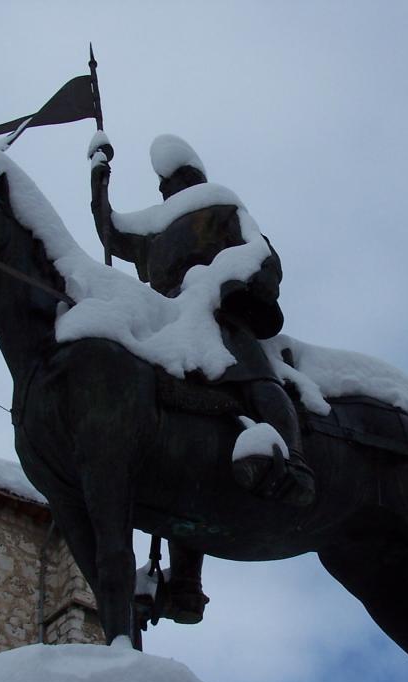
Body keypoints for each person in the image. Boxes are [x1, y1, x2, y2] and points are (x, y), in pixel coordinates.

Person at [90, 134, 315, 623]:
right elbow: (112, 232)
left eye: (178, 178)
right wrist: (98, 179)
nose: (172, 187)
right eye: (167, 182)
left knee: (257, 381)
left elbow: (261, 254)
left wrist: (226, 279)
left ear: (194, 176)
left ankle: (296, 464)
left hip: (217, 310)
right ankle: (186, 582)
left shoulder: (222, 205)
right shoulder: (154, 225)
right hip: (169, 323)